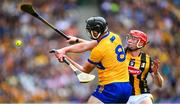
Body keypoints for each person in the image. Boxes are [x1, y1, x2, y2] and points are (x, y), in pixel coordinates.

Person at [54, 28, 164, 103]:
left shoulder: (147, 60)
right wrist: (77, 40)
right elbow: (101, 46)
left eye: (133, 39)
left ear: (141, 43)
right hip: (122, 95)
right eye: (129, 38)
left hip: (141, 95)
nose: (129, 40)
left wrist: (156, 73)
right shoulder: (120, 52)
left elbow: (159, 84)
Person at [53, 16, 132, 103]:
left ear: (96, 31)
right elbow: (88, 45)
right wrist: (72, 44)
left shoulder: (98, 51)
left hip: (111, 87)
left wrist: (65, 57)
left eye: (91, 30)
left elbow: (84, 71)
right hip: (126, 87)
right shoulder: (114, 37)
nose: (90, 32)